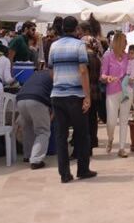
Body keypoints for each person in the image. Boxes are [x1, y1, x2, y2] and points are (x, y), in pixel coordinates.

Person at [49, 16, 95, 183]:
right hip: (75, 95)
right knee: (82, 134)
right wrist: (87, 96)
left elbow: (52, 72)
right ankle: (83, 169)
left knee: (61, 136)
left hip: (57, 95)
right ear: (76, 29)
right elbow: (83, 71)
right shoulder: (79, 45)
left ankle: (64, 174)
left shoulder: (53, 46)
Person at [100, 31, 130, 157]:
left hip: (126, 92)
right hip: (112, 91)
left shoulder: (128, 57)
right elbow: (101, 75)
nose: (126, 43)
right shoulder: (108, 56)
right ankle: (110, 138)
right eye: (124, 40)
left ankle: (122, 148)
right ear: (118, 42)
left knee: (124, 120)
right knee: (111, 122)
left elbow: (131, 72)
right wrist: (108, 78)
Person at [17, 69, 53, 169]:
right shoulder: (54, 74)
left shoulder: (37, 74)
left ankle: (27, 156)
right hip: (37, 100)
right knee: (43, 131)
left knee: (27, 128)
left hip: (20, 99)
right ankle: (36, 160)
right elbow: (55, 97)